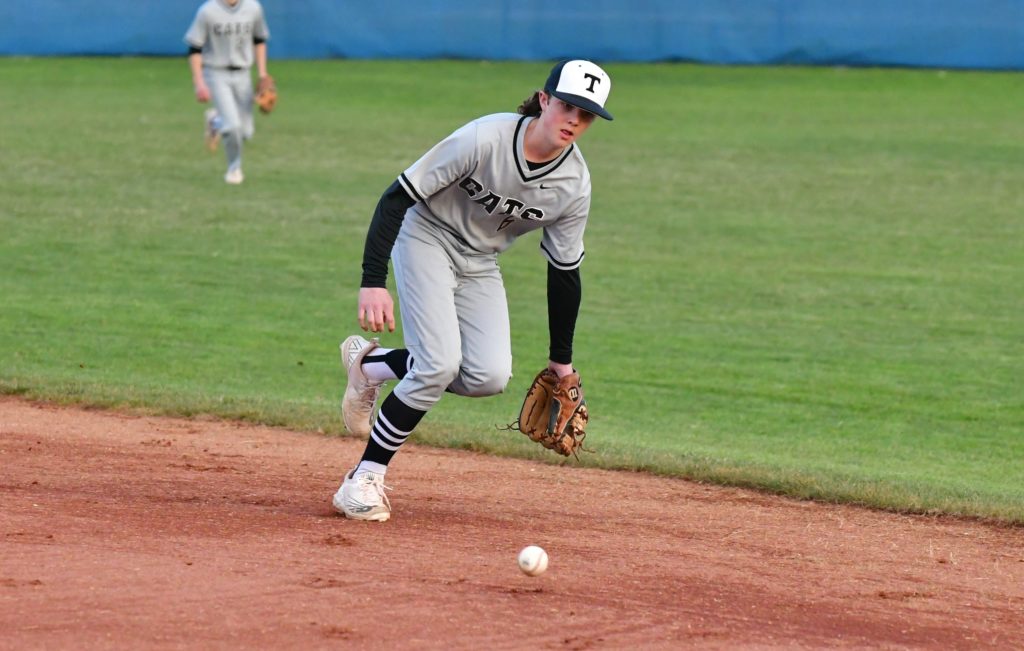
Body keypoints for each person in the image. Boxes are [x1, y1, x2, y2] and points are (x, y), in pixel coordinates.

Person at [332, 60, 614, 522]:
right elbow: (397, 196)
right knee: (438, 364)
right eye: (567, 106)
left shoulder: (573, 184)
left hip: (481, 260)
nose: (574, 120)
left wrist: (561, 361)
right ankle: (363, 478)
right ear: (545, 100)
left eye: (586, 115)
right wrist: (372, 282)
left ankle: (372, 366)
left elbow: (565, 271)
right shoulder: (485, 138)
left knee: (488, 376)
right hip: (426, 235)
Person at [184, 0, 271, 185]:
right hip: (216, 72)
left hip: (243, 73)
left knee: (246, 132)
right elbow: (195, 48)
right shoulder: (207, 11)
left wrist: (263, 74)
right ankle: (234, 168)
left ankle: (216, 121)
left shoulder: (253, 8)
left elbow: (259, 40)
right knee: (232, 127)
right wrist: (199, 82)